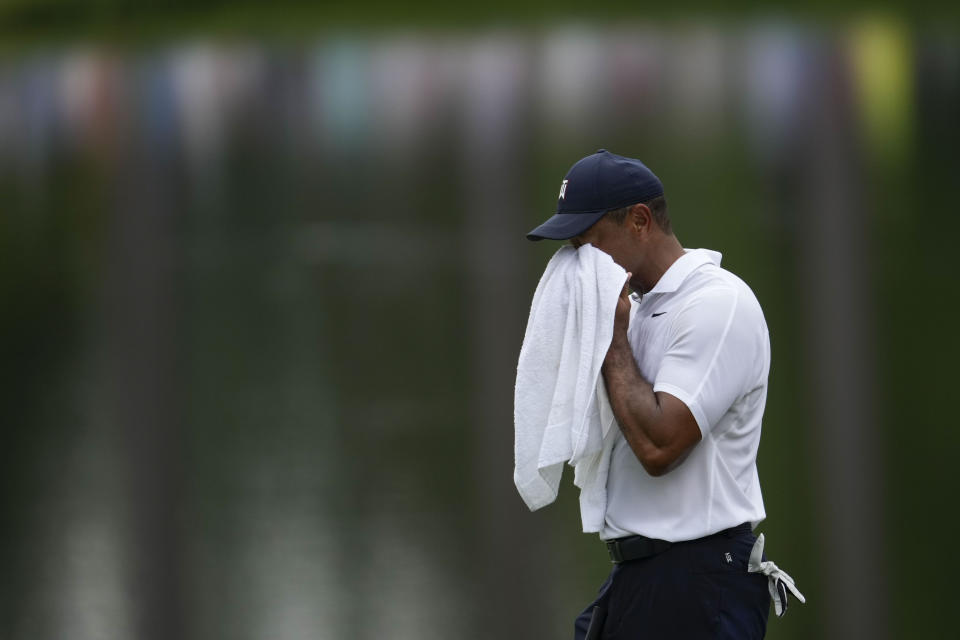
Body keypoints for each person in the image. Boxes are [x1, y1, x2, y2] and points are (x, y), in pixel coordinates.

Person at [526, 150, 780, 639]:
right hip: (640, 577)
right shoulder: (636, 307)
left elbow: (660, 447)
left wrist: (613, 340)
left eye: (588, 242)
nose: (578, 265)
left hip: (702, 581)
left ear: (639, 221)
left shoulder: (717, 304)